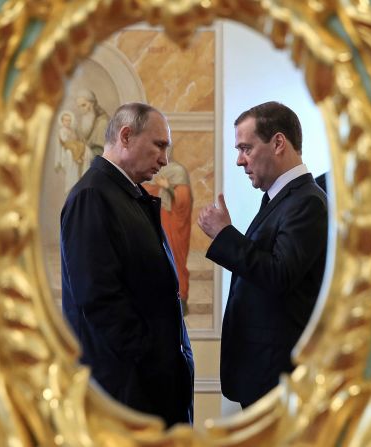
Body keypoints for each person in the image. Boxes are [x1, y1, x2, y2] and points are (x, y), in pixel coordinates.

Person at [60, 102, 194, 427]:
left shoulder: (124, 192)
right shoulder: (92, 196)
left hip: (146, 381)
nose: (164, 159)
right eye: (159, 145)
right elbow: (100, 299)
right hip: (127, 387)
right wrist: (150, 359)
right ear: (125, 136)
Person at [197, 101, 327, 409]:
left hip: (277, 375)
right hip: (260, 371)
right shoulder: (280, 199)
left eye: (246, 148)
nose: (240, 161)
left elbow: (279, 275)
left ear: (278, 142)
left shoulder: (306, 202)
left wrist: (225, 235)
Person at [142, 151, 193, 311]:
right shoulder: (157, 171)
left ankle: (181, 301)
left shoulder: (178, 172)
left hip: (175, 225)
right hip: (162, 222)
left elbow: (183, 199)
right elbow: (147, 191)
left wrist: (168, 188)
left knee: (176, 259)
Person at [75, 88, 110, 163]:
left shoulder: (103, 122)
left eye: (83, 105)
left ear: (92, 104)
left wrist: (85, 153)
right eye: (79, 106)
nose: (81, 109)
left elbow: (103, 151)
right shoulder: (80, 124)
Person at [55, 110, 85, 194]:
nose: (67, 122)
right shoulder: (62, 130)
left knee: (81, 145)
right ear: (62, 121)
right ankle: (77, 158)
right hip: (67, 144)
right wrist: (69, 137)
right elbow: (64, 139)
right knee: (74, 148)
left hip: (73, 142)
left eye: (69, 120)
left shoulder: (71, 130)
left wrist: (73, 136)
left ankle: (79, 156)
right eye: (65, 120)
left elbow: (75, 137)